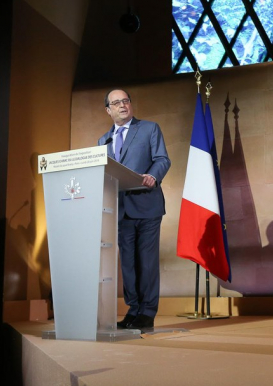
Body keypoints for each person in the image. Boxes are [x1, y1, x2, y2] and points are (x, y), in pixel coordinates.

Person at [97, 89, 171, 329]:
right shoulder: (102, 141)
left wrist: (152, 175)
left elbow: (162, 159)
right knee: (127, 263)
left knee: (146, 261)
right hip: (119, 210)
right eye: (116, 103)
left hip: (147, 205)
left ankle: (147, 312)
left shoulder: (149, 129)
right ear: (108, 110)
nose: (122, 105)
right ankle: (134, 309)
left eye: (125, 101)